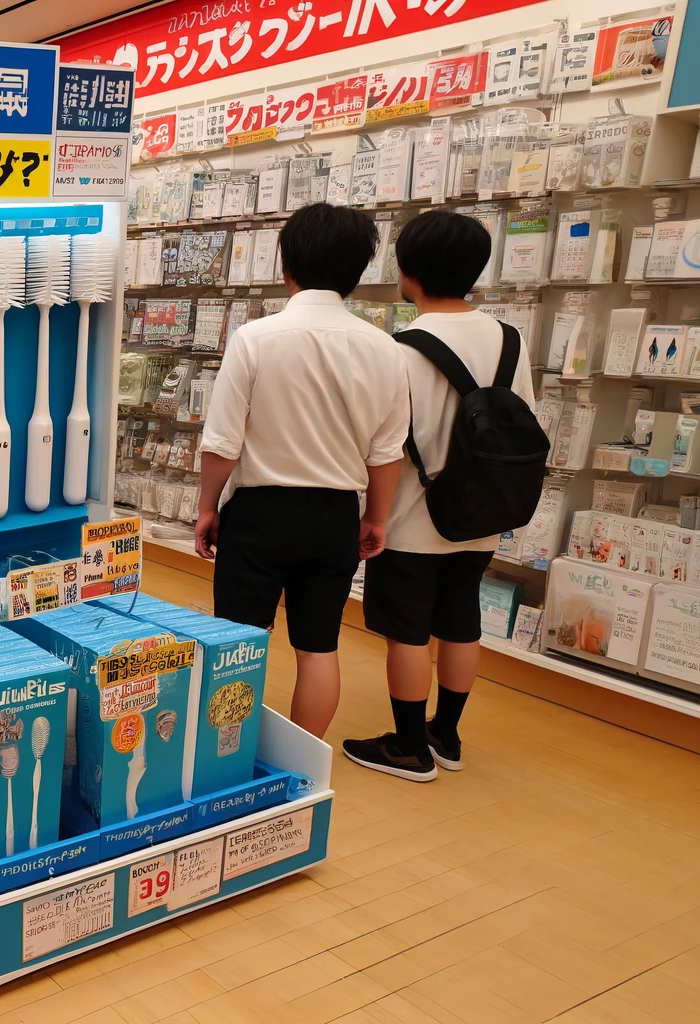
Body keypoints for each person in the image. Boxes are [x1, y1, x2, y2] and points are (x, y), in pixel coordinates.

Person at [195, 202, 410, 738]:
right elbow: (387, 453)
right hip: (336, 513)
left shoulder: (256, 338)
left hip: (262, 511)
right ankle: (306, 761)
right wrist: (376, 520)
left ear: (286, 266)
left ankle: (231, 753)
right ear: (357, 275)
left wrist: (206, 507)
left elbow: (222, 441)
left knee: (238, 643)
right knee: (319, 646)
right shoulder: (385, 349)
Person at [344, 210, 535, 782]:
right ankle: (445, 734)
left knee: (407, 631)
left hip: (411, 516)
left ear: (409, 271)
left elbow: (389, 447)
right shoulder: (510, 340)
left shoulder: (401, 348)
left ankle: (407, 746)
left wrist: (370, 515)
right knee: (461, 621)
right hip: (480, 512)